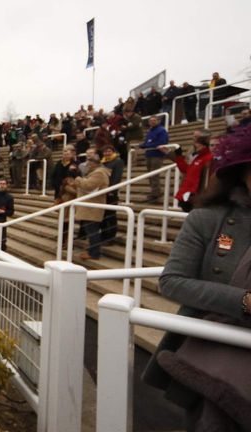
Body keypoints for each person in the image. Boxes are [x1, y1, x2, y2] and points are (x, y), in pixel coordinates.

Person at [142, 127, 251, 430]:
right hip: (218, 357)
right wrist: (243, 301)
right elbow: (172, 281)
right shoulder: (207, 219)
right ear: (242, 172)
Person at [163, 130, 213, 212]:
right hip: (188, 192)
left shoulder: (208, 157)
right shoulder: (195, 154)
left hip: (195, 194)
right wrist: (177, 156)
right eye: (194, 137)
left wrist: (193, 193)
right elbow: (186, 169)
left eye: (197, 137)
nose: (194, 139)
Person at [73, 153, 110, 260]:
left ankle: (94, 253)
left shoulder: (99, 173)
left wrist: (79, 179)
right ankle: (91, 251)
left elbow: (88, 186)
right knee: (90, 230)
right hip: (89, 206)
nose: (87, 164)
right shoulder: (97, 172)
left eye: (89, 162)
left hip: (92, 207)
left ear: (95, 163)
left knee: (92, 230)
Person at [140, 116, 170, 202]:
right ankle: (154, 192)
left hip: (157, 155)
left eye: (154, 120)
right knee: (150, 175)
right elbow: (146, 142)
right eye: (150, 121)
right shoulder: (150, 130)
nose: (152, 122)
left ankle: (156, 193)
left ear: (158, 121)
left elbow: (162, 142)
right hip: (149, 154)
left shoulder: (161, 130)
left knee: (154, 175)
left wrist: (147, 145)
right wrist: (141, 145)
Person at [100, 145, 124, 244]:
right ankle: (104, 235)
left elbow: (117, 177)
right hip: (102, 192)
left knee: (111, 216)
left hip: (111, 193)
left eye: (109, 151)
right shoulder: (103, 162)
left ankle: (111, 237)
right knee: (103, 216)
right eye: (105, 152)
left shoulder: (118, 161)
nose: (107, 153)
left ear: (113, 151)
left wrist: (112, 190)